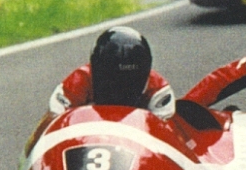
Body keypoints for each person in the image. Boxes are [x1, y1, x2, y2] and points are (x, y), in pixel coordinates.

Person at [48, 26, 176, 119]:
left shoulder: (158, 91)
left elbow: (167, 138)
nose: (121, 88)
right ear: (95, 71)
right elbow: (51, 125)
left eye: (129, 80)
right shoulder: (77, 82)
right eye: (115, 80)